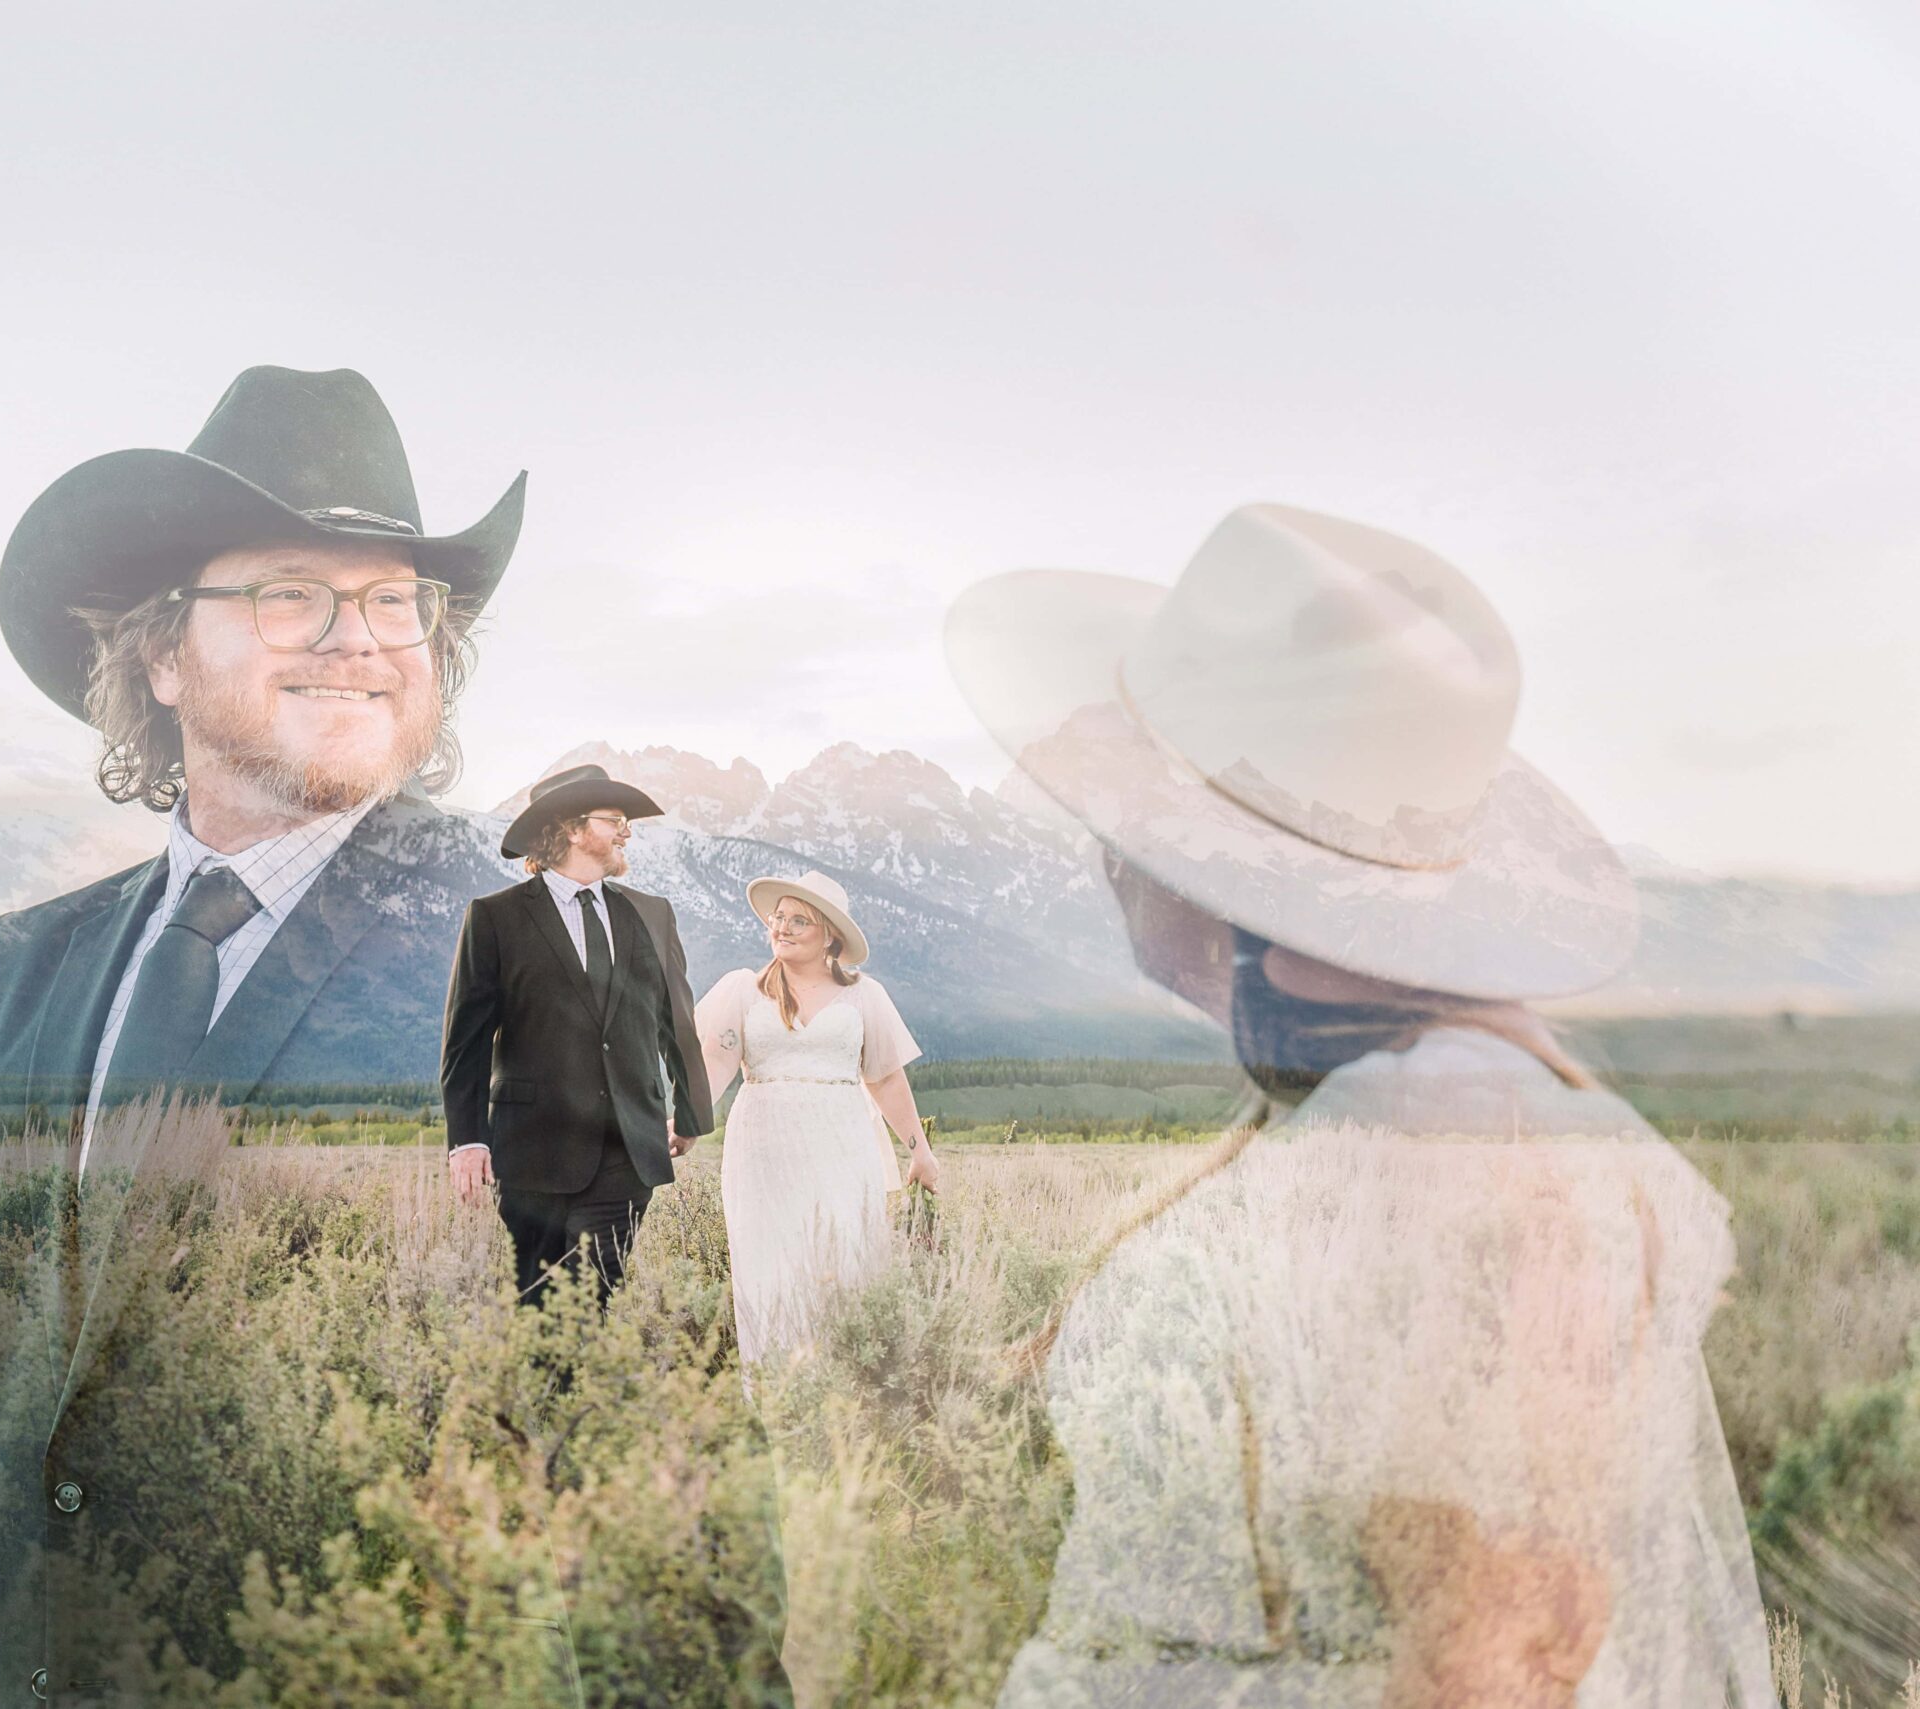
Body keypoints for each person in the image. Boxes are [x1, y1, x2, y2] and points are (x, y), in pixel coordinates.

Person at [0, 366, 537, 1708]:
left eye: (395, 598)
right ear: (162, 652)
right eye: (292, 589)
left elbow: (658, 1453)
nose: (358, 637)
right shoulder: (19, 977)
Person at [946, 504, 1777, 1708]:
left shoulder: (1444, 1142)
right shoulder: (1416, 1100)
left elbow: (1504, 1643)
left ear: (1204, 859)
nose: (1102, 849)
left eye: (1125, 811)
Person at [441, 764, 717, 1305]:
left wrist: (691, 1114)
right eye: (615, 820)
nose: (627, 832)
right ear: (572, 828)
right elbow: (466, 1041)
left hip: (627, 1147)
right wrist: (467, 1139)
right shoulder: (495, 918)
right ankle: (550, 1391)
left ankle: (577, 1385)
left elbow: (675, 1020)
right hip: (530, 1149)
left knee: (591, 1294)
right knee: (539, 1302)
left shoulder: (652, 914)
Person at [693, 870, 938, 1366]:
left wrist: (920, 1150)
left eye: (797, 920)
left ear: (829, 934)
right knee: (769, 1262)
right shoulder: (744, 990)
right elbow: (715, 1065)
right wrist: (685, 1124)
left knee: (843, 1255)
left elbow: (886, 1078)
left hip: (842, 1141)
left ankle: (842, 1388)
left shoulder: (864, 995)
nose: (781, 928)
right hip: (762, 1145)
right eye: (777, 917)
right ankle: (772, 1389)